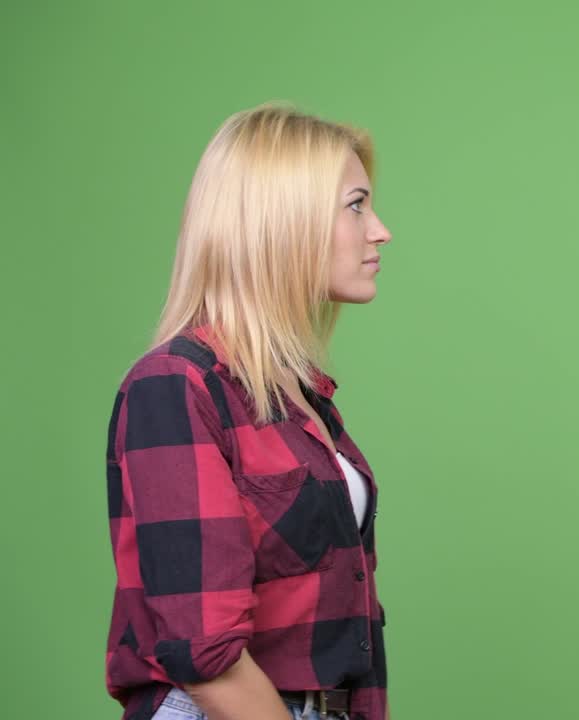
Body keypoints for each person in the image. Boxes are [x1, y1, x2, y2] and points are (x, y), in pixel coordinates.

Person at [104, 105, 392, 720]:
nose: (380, 230)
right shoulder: (176, 385)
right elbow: (204, 651)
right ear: (283, 220)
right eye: (356, 205)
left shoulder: (302, 399)